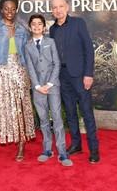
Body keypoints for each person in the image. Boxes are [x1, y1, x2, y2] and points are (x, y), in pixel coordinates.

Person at [49, 0, 100, 164]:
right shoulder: (52, 30)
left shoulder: (78, 23)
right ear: (52, 10)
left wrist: (88, 74)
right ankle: (76, 144)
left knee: (86, 113)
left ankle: (93, 149)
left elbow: (88, 49)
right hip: (62, 76)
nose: (58, 10)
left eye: (61, 6)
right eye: (55, 7)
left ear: (67, 7)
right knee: (70, 112)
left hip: (79, 75)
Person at [0, 0, 35, 162]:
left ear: (16, 10)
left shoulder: (22, 30)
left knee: (20, 107)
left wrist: (28, 74)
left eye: (13, 8)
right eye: (6, 8)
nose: (9, 11)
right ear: (1, 10)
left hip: (19, 70)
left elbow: (27, 55)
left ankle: (21, 144)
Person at [25, 14, 73, 167]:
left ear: (44, 27)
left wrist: (50, 83)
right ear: (29, 27)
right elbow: (30, 67)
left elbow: (57, 64)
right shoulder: (27, 46)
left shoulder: (50, 42)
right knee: (44, 119)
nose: (37, 26)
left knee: (57, 118)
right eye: (34, 24)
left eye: (40, 24)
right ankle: (47, 149)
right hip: (38, 88)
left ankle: (62, 151)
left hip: (53, 86)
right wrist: (38, 86)